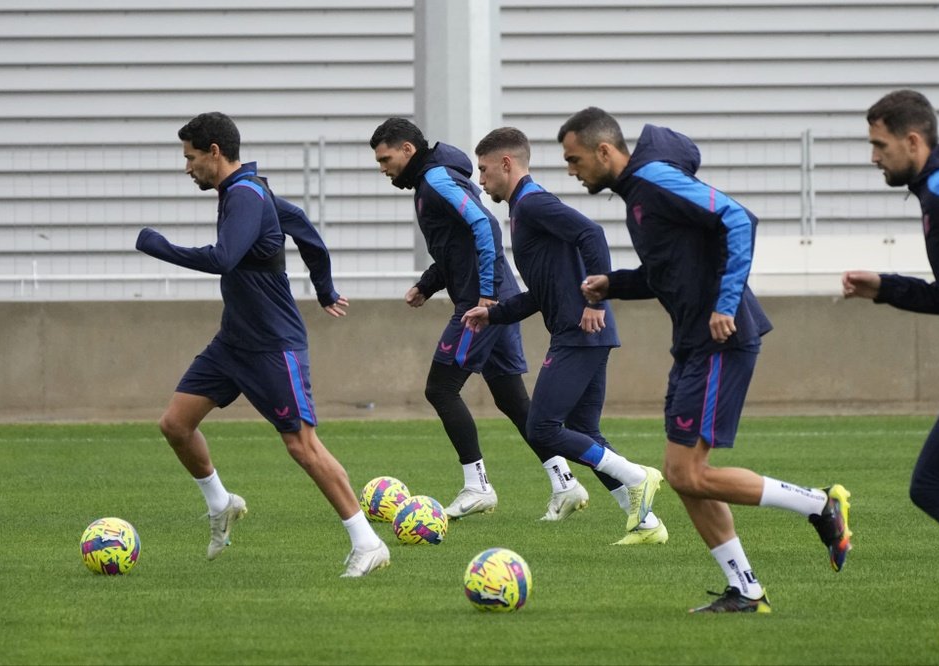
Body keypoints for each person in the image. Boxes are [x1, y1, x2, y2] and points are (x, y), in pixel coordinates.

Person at [559, 107, 852, 612]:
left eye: (574, 159)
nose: (571, 170)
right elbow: (669, 271)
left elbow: (738, 217)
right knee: (681, 474)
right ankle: (745, 589)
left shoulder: (653, 180)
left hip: (722, 338)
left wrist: (724, 301)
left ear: (604, 151)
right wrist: (616, 284)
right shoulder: (639, 197)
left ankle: (820, 504)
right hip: (694, 343)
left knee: (690, 473)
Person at [136, 111, 389, 577]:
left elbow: (224, 258)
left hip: (274, 345)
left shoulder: (247, 196)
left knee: (302, 446)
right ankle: (221, 502)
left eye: (191, 158)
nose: (186, 167)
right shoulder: (249, 192)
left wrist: (158, 246)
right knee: (175, 424)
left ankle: (367, 540)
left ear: (215, 152)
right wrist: (325, 288)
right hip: (233, 343)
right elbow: (307, 233)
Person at [369, 118, 584, 520]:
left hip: (480, 305)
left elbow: (483, 225)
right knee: (511, 399)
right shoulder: (433, 181)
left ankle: (477, 485)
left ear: (407, 151)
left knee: (441, 389)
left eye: (385, 158)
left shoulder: (435, 181)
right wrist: (428, 284)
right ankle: (564, 482)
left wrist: (485, 294)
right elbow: (456, 247)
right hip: (492, 298)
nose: (383, 168)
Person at [462, 127, 665, 542]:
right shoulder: (523, 211)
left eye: (483, 170)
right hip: (584, 332)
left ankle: (637, 476)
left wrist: (594, 302)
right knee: (585, 433)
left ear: (506, 163)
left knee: (542, 427)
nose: (480, 181)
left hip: (580, 332)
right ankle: (645, 523)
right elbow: (540, 293)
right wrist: (493, 314)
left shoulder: (533, 203)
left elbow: (592, 234)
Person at [843, 89, 939, 571]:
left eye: (880, 146)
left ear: (912, 142)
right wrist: (887, 287)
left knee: (934, 483)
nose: (874, 158)